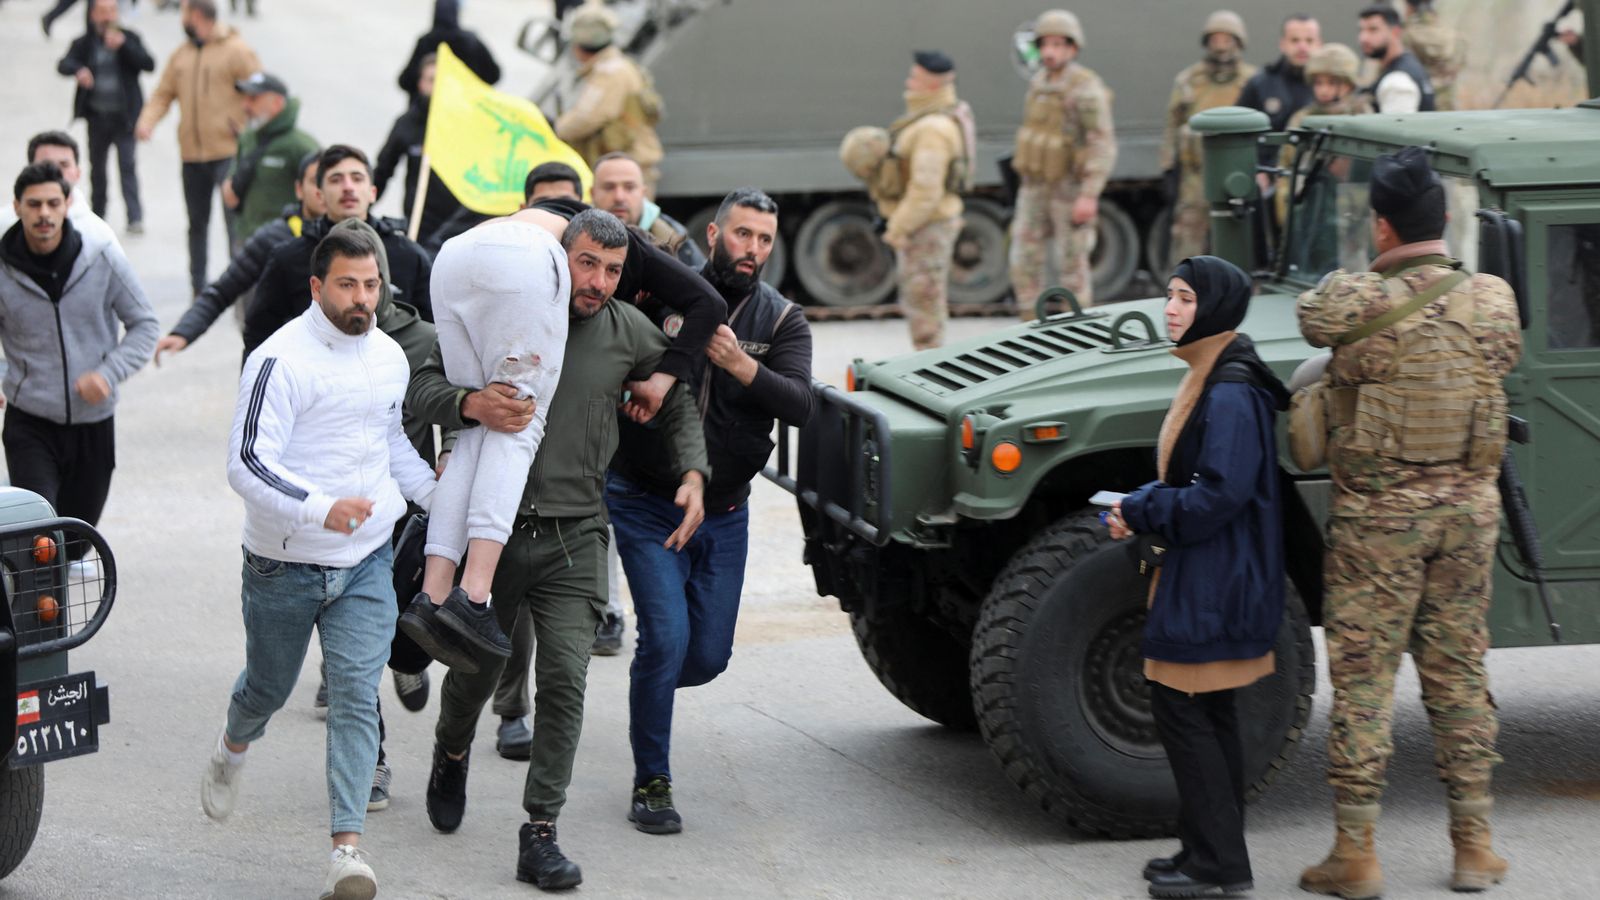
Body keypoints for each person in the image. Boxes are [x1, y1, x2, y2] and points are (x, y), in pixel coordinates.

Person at [407, 208, 710, 890]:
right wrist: (470, 405)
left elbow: (678, 394)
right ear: (554, 257)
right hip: (501, 533)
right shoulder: (499, 314)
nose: (598, 282)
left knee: (566, 684)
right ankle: (451, 749)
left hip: (576, 538)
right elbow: (423, 385)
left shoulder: (625, 330)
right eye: (586, 264)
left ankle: (540, 830)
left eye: (612, 270)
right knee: (477, 673)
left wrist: (692, 469)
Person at [1295, 146, 1519, 898]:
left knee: (1364, 682)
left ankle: (1355, 855)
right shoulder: (1492, 297)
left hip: (1377, 525)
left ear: (1381, 227)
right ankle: (1474, 846)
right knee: (1458, 674)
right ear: (1446, 219)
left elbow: (1310, 318)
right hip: (1467, 516)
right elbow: (1505, 358)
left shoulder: (1353, 299)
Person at [202, 224, 437, 899]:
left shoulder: (389, 355)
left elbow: (391, 442)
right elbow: (245, 464)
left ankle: (346, 852)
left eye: (372, 285)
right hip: (284, 562)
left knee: (357, 697)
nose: (362, 298)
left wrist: (436, 493)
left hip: (365, 562)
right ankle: (231, 748)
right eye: (347, 285)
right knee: (268, 690)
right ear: (316, 286)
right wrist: (318, 507)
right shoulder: (279, 360)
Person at [608, 188, 813, 834]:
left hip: (725, 513)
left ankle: (652, 687)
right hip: (646, 503)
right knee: (664, 640)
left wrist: (740, 368)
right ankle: (652, 781)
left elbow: (803, 405)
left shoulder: (782, 321)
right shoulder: (675, 295)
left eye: (764, 241)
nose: (751, 249)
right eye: (742, 235)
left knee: (706, 657)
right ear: (716, 232)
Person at [1108, 256, 1288, 899]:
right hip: (1213, 575)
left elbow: (1218, 495)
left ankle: (1221, 864)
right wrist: (1144, 501)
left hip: (1217, 582)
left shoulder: (1232, 389)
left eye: (1185, 298)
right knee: (1208, 716)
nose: (1171, 309)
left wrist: (1142, 507)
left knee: (1186, 713)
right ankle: (1204, 850)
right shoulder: (1217, 373)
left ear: (1212, 308)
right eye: (1169, 295)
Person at [397, 218, 573, 677]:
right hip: (524, 265)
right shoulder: (600, 227)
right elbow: (701, 300)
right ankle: (474, 596)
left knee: (477, 425)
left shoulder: (528, 216)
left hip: (454, 258)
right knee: (519, 421)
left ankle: (431, 595)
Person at [0, 162, 158, 548]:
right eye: (34, 204)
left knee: (76, 544)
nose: (44, 214)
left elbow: (145, 325)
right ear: (17, 206)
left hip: (93, 424)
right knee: (39, 539)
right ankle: (37, 607)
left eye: (53, 203)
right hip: (30, 421)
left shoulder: (101, 257)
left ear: (68, 203)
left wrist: (107, 374)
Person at [245, 145, 433, 360]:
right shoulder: (289, 258)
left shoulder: (409, 257)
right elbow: (258, 333)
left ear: (373, 192)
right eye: (336, 179)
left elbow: (432, 335)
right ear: (320, 195)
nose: (348, 187)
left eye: (357, 178)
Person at [135, 0, 260, 295]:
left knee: (234, 225)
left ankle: (238, 288)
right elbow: (163, 94)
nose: (182, 19)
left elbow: (259, 90)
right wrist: (147, 121)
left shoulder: (236, 51)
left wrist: (245, 130)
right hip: (192, 154)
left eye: (184, 13)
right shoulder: (182, 55)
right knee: (197, 224)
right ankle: (198, 287)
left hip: (228, 152)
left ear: (196, 16)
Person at [156, 150, 323, 363]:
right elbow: (223, 290)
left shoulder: (362, 241)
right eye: (316, 181)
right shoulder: (273, 239)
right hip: (281, 363)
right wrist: (184, 331)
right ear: (299, 189)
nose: (324, 190)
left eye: (332, 180)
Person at [1008, 11, 1115, 316]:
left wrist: (1089, 194)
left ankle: (1077, 334)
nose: (1050, 52)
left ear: (1072, 48)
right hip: (1035, 187)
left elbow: (1101, 142)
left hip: (1069, 189)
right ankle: (1029, 325)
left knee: (1072, 265)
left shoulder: (1085, 88)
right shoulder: (1040, 82)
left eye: (1058, 44)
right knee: (1023, 260)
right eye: (1045, 44)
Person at [878, 50, 973, 349]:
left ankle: (928, 372)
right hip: (927, 226)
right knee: (924, 304)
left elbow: (926, 192)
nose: (908, 82)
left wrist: (898, 228)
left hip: (926, 228)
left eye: (915, 78)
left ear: (932, 85)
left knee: (925, 311)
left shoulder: (932, 129)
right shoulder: (931, 119)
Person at [1162, 11, 1256, 269]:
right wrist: (1168, 167)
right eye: (1216, 39)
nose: (1221, 46)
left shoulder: (1251, 81)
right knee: (1187, 238)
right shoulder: (1189, 81)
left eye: (1227, 39)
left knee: (1237, 239)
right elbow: (1173, 123)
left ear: (1238, 42)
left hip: (1237, 177)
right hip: (1195, 175)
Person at [56, 0, 153, 235]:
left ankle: (135, 217)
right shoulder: (85, 43)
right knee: (97, 170)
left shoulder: (129, 38)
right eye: (102, 12)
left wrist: (125, 47)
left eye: (111, 11)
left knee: (127, 167)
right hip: (98, 118)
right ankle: (98, 215)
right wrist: (79, 71)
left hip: (125, 118)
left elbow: (148, 63)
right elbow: (63, 64)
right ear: (93, 15)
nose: (107, 17)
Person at [555, 4, 664, 192]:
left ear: (578, 46)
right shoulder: (613, 66)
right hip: (621, 170)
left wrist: (554, 130)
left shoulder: (610, 73)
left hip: (625, 175)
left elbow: (586, 118)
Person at [375, 54, 464, 247]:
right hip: (419, 223)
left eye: (443, 80)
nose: (438, 85)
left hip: (459, 224)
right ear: (421, 84)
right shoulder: (407, 123)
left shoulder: (466, 123)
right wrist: (361, 208)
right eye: (432, 80)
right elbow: (382, 171)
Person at [223, 73, 318, 252]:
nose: (245, 105)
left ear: (277, 103)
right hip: (246, 238)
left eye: (253, 99)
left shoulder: (300, 146)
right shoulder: (248, 138)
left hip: (283, 243)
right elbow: (230, 187)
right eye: (245, 99)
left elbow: (321, 195)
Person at [1238, 14, 1321, 184]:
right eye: (1295, 40)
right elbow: (1240, 134)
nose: (1302, 47)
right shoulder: (1260, 83)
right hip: (1267, 179)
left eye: (1309, 41)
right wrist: (1254, 171)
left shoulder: (1330, 86)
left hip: (1313, 180)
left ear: (1319, 44)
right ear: (1282, 44)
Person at [0, 132, 118, 247]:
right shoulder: (4, 224)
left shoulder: (99, 237)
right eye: (46, 164)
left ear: (77, 173)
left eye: (64, 165)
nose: (56, 172)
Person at [591, 152, 704, 268]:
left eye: (629, 187)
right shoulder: (574, 235)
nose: (619, 197)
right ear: (592, 193)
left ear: (643, 193)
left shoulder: (676, 240)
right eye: (609, 187)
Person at [398, 0, 500, 102]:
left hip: (429, 110)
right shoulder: (471, 41)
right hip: (465, 107)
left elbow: (405, 81)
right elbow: (493, 75)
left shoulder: (426, 41)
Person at [1357, 5, 1436, 114]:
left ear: (1395, 32)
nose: (1363, 38)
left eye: (1373, 30)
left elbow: (1394, 129)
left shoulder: (1397, 82)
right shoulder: (1406, 65)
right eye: (1361, 30)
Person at [1402, 1, 1466, 111]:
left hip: (1416, 104)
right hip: (1447, 103)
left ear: (1409, 7)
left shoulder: (1404, 34)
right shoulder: (1451, 34)